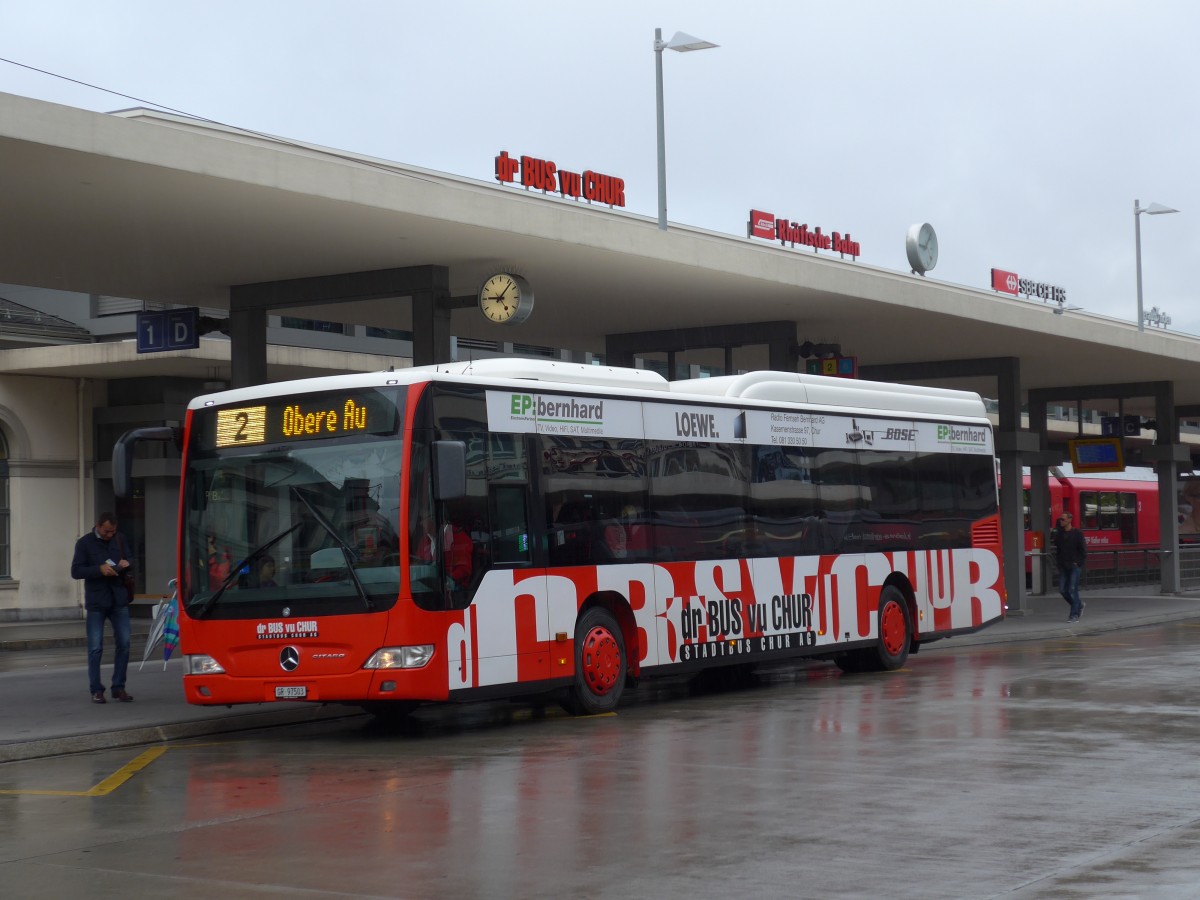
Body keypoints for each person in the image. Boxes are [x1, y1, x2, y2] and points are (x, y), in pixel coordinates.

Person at [70, 512, 135, 703]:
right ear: (98, 526)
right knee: (95, 648)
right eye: (107, 531)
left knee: (124, 644)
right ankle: (96, 689)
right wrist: (98, 569)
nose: (109, 535)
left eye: (113, 531)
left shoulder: (120, 539)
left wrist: (127, 563)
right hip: (97, 602)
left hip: (118, 599)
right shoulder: (84, 543)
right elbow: (76, 571)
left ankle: (119, 687)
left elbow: (132, 559)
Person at [416, 515, 473, 588]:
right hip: (427, 588)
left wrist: (447, 581)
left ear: (432, 516)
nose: (420, 523)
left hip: (453, 590)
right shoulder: (424, 541)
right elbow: (417, 563)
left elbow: (464, 570)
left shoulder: (459, 537)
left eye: (422, 519)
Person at [1054, 511, 1087, 623]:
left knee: (1072, 589)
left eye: (1062, 519)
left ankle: (1074, 615)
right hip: (1063, 565)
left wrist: (1078, 562)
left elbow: (1083, 550)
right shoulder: (1059, 534)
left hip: (1074, 565)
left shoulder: (1077, 533)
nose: (1061, 521)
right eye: (1060, 519)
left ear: (1069, 520)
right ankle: (1079, 604)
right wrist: (1058, 563)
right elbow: (1058, 550)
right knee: (1063, 590)